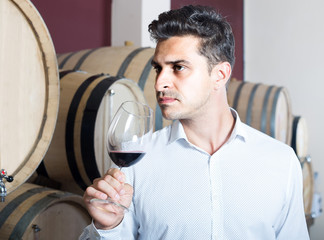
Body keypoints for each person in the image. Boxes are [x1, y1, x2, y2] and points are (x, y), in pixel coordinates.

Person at [79, 5, 309, 240]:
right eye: (158, 68)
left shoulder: (281, 161)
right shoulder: (135, 163)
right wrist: (108, 228)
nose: (160, 83)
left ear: (219, 75)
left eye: (178, 68)